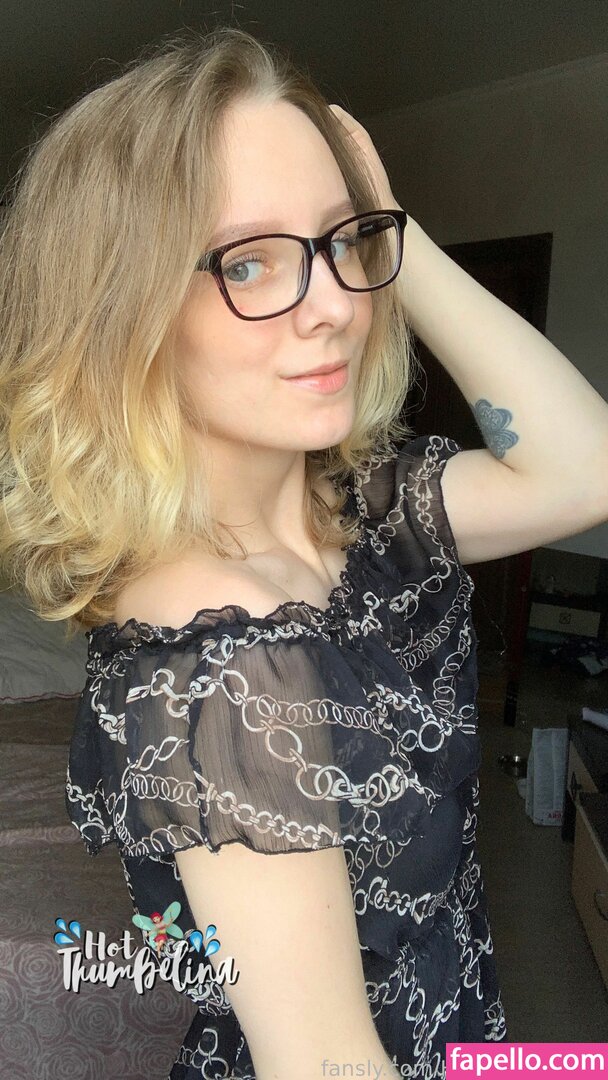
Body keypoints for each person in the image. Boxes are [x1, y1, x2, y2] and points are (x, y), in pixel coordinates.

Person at [2, 24, 608, 1080]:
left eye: (342, 241)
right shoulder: (219, 667)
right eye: (249, 260)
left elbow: (584, 472)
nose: (333, 306)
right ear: (121, 311)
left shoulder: (358, 508)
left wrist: (396, 227)